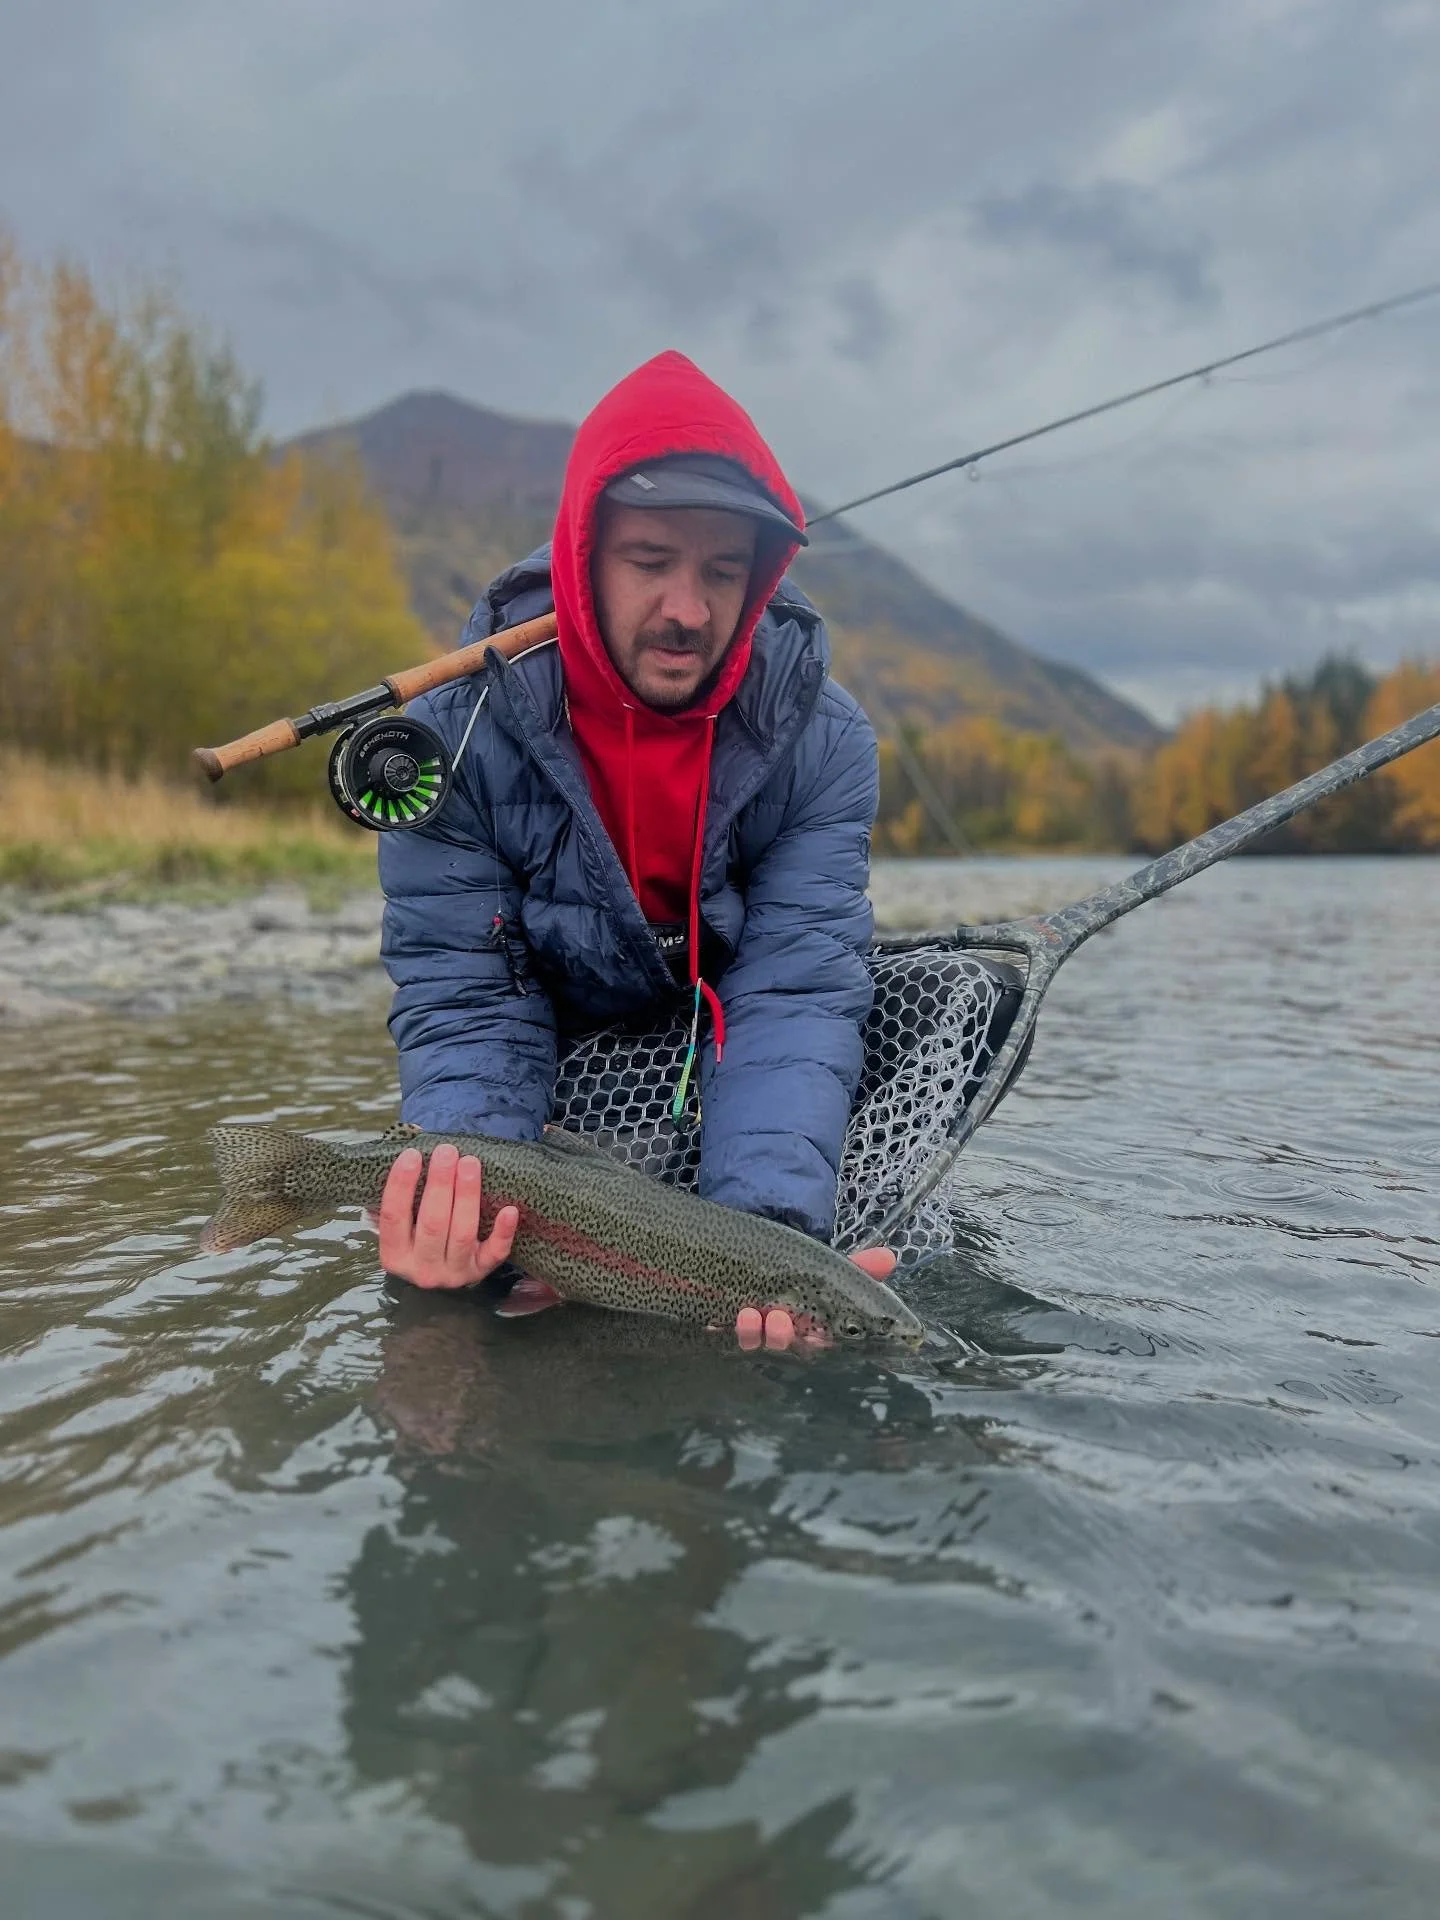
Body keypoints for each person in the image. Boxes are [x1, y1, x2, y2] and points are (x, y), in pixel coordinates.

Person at [375, 350, 894, 1349]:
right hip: (544, 1031)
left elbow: (793, 992)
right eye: (651, 561)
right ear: (584, 554)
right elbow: (467, 992)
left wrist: (771, 1244)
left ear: (760, 578)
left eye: (723, 571)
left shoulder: (825, 743)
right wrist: (474, 1204)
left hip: (722, 1024)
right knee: (444, 1309)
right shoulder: (454, 738)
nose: (689, 610)